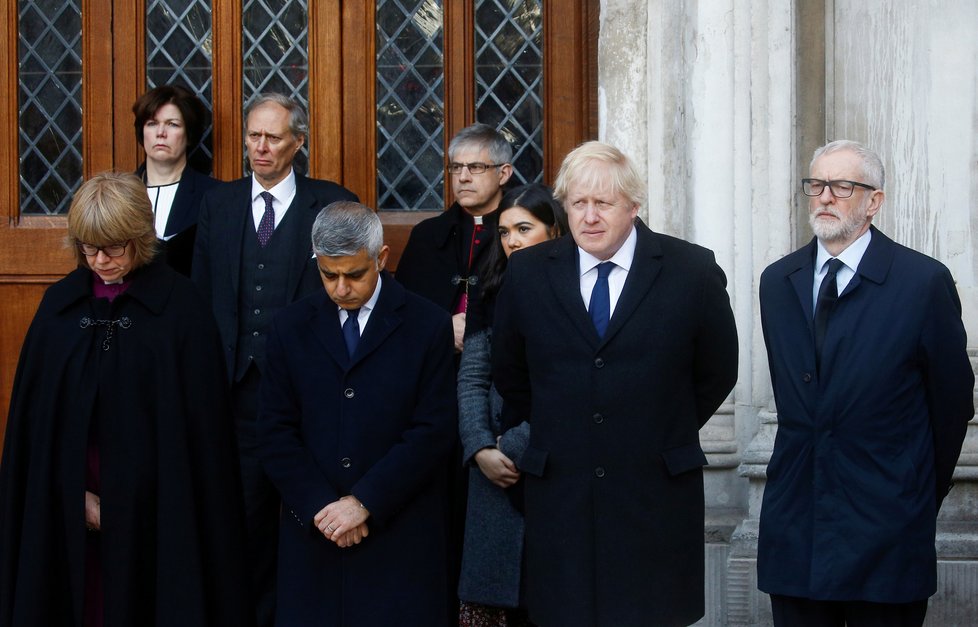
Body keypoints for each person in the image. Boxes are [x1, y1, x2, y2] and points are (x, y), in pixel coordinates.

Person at [491, 141, 739, 627]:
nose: (589, 216)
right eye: (578, 203)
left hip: (655, 492)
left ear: (633, 205)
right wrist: (568, 424)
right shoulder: (528, 272)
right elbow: (511, 372)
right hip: (562, 491)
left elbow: (718, 370)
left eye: (603, 203)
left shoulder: (691, 270)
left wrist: (658, 425)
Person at [0, 172, 253, 627]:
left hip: (158, 517)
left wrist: (127, 502)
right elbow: (35, 432)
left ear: (141, 236)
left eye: (114, 247)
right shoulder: (60, 308)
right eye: (88, 247)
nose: (100, 260)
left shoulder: (182, 311)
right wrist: (72, 493)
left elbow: (199, 439)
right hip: (67, 510)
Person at [757, 139, 974, 627]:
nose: (825, 197)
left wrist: (911, 490)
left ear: (874, 201)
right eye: (816, 185)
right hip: (797, 526)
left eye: (842, 186)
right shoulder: (778, 280)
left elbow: (952, 404)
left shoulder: (921, 282)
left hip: (885, 530)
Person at [191, 92, 358, 627]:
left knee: (306, 512)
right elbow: (202, 295)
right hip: (235, 391)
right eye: (253, 136)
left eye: (272, 137)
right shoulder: (218, 203)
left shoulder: (331, 203)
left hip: (310, 394)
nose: (259, 148)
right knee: (240, 514)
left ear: (298, 143)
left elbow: (355, 294)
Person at [257, 201, 457, 626]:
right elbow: (274, 430)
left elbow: (433, 430)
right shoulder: (289, 327)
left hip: (399, 535)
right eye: (329, 275)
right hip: (316, 535)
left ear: (381, 259)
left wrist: (365, 501)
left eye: (355, 274)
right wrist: (323, 507)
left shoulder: (428, 324)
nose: (341, 288)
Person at [457, 183, 567, 627]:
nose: (513, 241)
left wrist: (516, 445)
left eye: (524, 228)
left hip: (549, 459)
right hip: (493, 468)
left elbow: (572, 384)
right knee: (499, 599)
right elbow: (473, 376)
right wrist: (480, 446)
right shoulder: (492, 286)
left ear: (554, 231)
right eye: (504, 233)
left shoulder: (576, 289)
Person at [396, 122, 514, 352]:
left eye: (476, 167)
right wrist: (441, 328)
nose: (463, 177)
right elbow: (402, 310)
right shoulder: (426, 236)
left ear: (503, 173)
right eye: (456, 167)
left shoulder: (522, 234)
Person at [133, 84, 220, 276]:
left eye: (173, 124)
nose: (160, 133)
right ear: (142, 131)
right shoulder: (120, 193)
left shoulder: (215, 196)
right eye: (152, 123)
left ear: (189, 134)